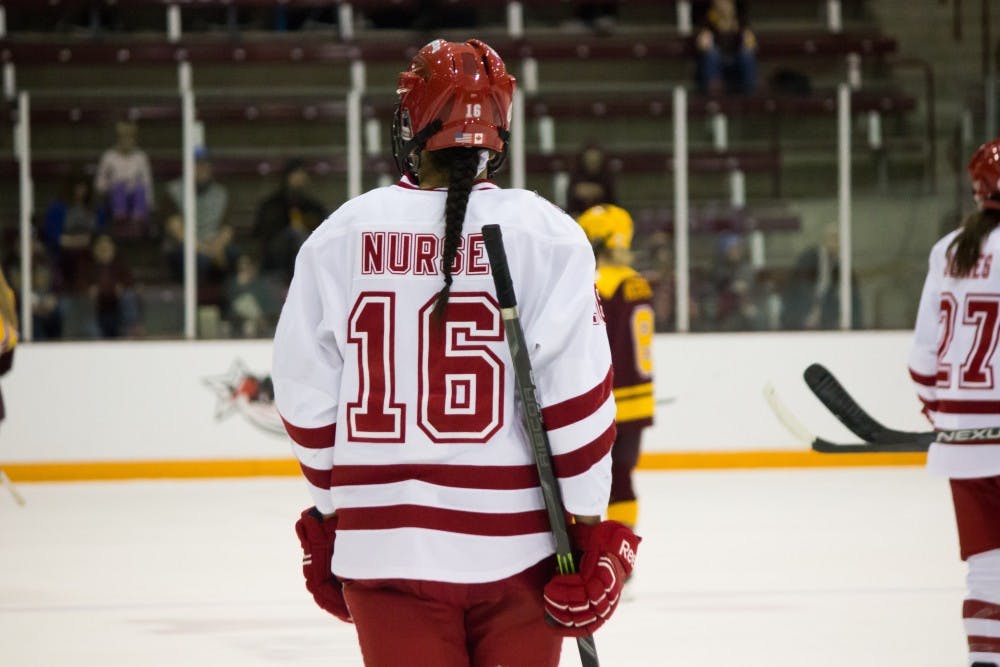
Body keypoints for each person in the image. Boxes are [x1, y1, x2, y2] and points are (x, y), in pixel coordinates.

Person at [271, 39, 640, 666]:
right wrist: (587, 532)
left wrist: (332, 515)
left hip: (384, 549)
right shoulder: (547, 235)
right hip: (520, 551)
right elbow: (577, 406)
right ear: (500, 130)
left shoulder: (339, 235)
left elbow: (306, 399)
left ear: (414, 122)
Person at [909, 140, 1000, 667]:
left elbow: (923, 358)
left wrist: (941, 413)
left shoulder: (948, 249)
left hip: (964, 445)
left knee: (987, 567)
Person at [577, 205, 654, 532]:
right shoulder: (637, 282)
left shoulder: (594, 284)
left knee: (590, 474)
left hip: (603, 397)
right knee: (623, 473)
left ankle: (594, 545)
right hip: (639, 399)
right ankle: (624, 546)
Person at [163, 148, 237, 287]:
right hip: (186, 247)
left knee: (233, 254)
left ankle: (226, 303)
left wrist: (217, 248)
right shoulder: (173, 191)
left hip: (214, 245)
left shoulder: (221, 193)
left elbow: (227, 229)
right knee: (196, 260)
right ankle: (194, 304)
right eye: (197, 164)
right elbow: (177, 231)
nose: (202, 168)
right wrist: (204, 250)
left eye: (205, 164)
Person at [252, 158, 327, 286]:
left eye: (302, 174)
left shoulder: (313, 207)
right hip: (276, 254)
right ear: (287, 176)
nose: (299, 178)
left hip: (305, 251)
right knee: (295, 235)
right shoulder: (271, 205)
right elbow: (262, 233)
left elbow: (322, 231)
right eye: (296, 174)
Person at [781, 223, 861, 330]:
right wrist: (812, 309)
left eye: (839, 239)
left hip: (824, 318)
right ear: (825, 239)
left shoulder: (841, 266)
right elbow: (799, 286)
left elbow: (846, 295)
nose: (836, 242)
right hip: (801, 315)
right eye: (833, 237)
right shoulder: (809, 258)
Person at [94, 120, 153, 236]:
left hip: (135, 199)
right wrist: (112, 185)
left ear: (135, 139)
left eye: (130, 137)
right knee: (119, 186)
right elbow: (99, 184)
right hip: (114, 198)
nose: (127, 141)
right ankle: (119, 217)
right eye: (123, 137)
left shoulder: (141, 157)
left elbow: (147, 182)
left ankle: (138, 220)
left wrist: (149, 204)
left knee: (140, 188)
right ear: (118, 138)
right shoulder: (108, 156)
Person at [41, 175, 99, 291]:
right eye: (78, 187)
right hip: (63, 253)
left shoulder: (94, 208)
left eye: (84, 187)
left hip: (88, 252)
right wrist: (72, 241)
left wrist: (88, 241)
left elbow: (98, 234)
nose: (81, 191)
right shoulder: (58, 208)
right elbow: (52, 235)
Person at [695, 0, 758, 96]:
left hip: (736, 63)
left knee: (747, 56)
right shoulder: (708, 23)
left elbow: (752, 45)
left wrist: (747, 41)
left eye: (727, 3)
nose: (723, 6)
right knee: (712, 55)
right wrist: (705, 42)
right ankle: (714, 93)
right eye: (720, 3)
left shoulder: (741, 23)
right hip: (717, 63)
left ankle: (749, 93)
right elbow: (702, 45)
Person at [86, 234, 138, 339]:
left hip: (118, 310)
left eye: (107, 248)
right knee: (83, 304)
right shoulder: (88, 267)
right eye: (101, 248)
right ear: (95, 250)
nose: (104, 251)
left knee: (129, 296)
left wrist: (106, 290)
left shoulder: (121, 265)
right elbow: (81, 286)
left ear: (113, 249)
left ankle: (129, 334)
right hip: (97, 311)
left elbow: (129, 284)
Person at [566, 142, 618, 218]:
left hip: (604, 217)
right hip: (579, 216)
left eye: (595, 160)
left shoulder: (606, 176)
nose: (592, 163)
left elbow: (613, 202)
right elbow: (571, 203)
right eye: (589, 160)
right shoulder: (576, 175)